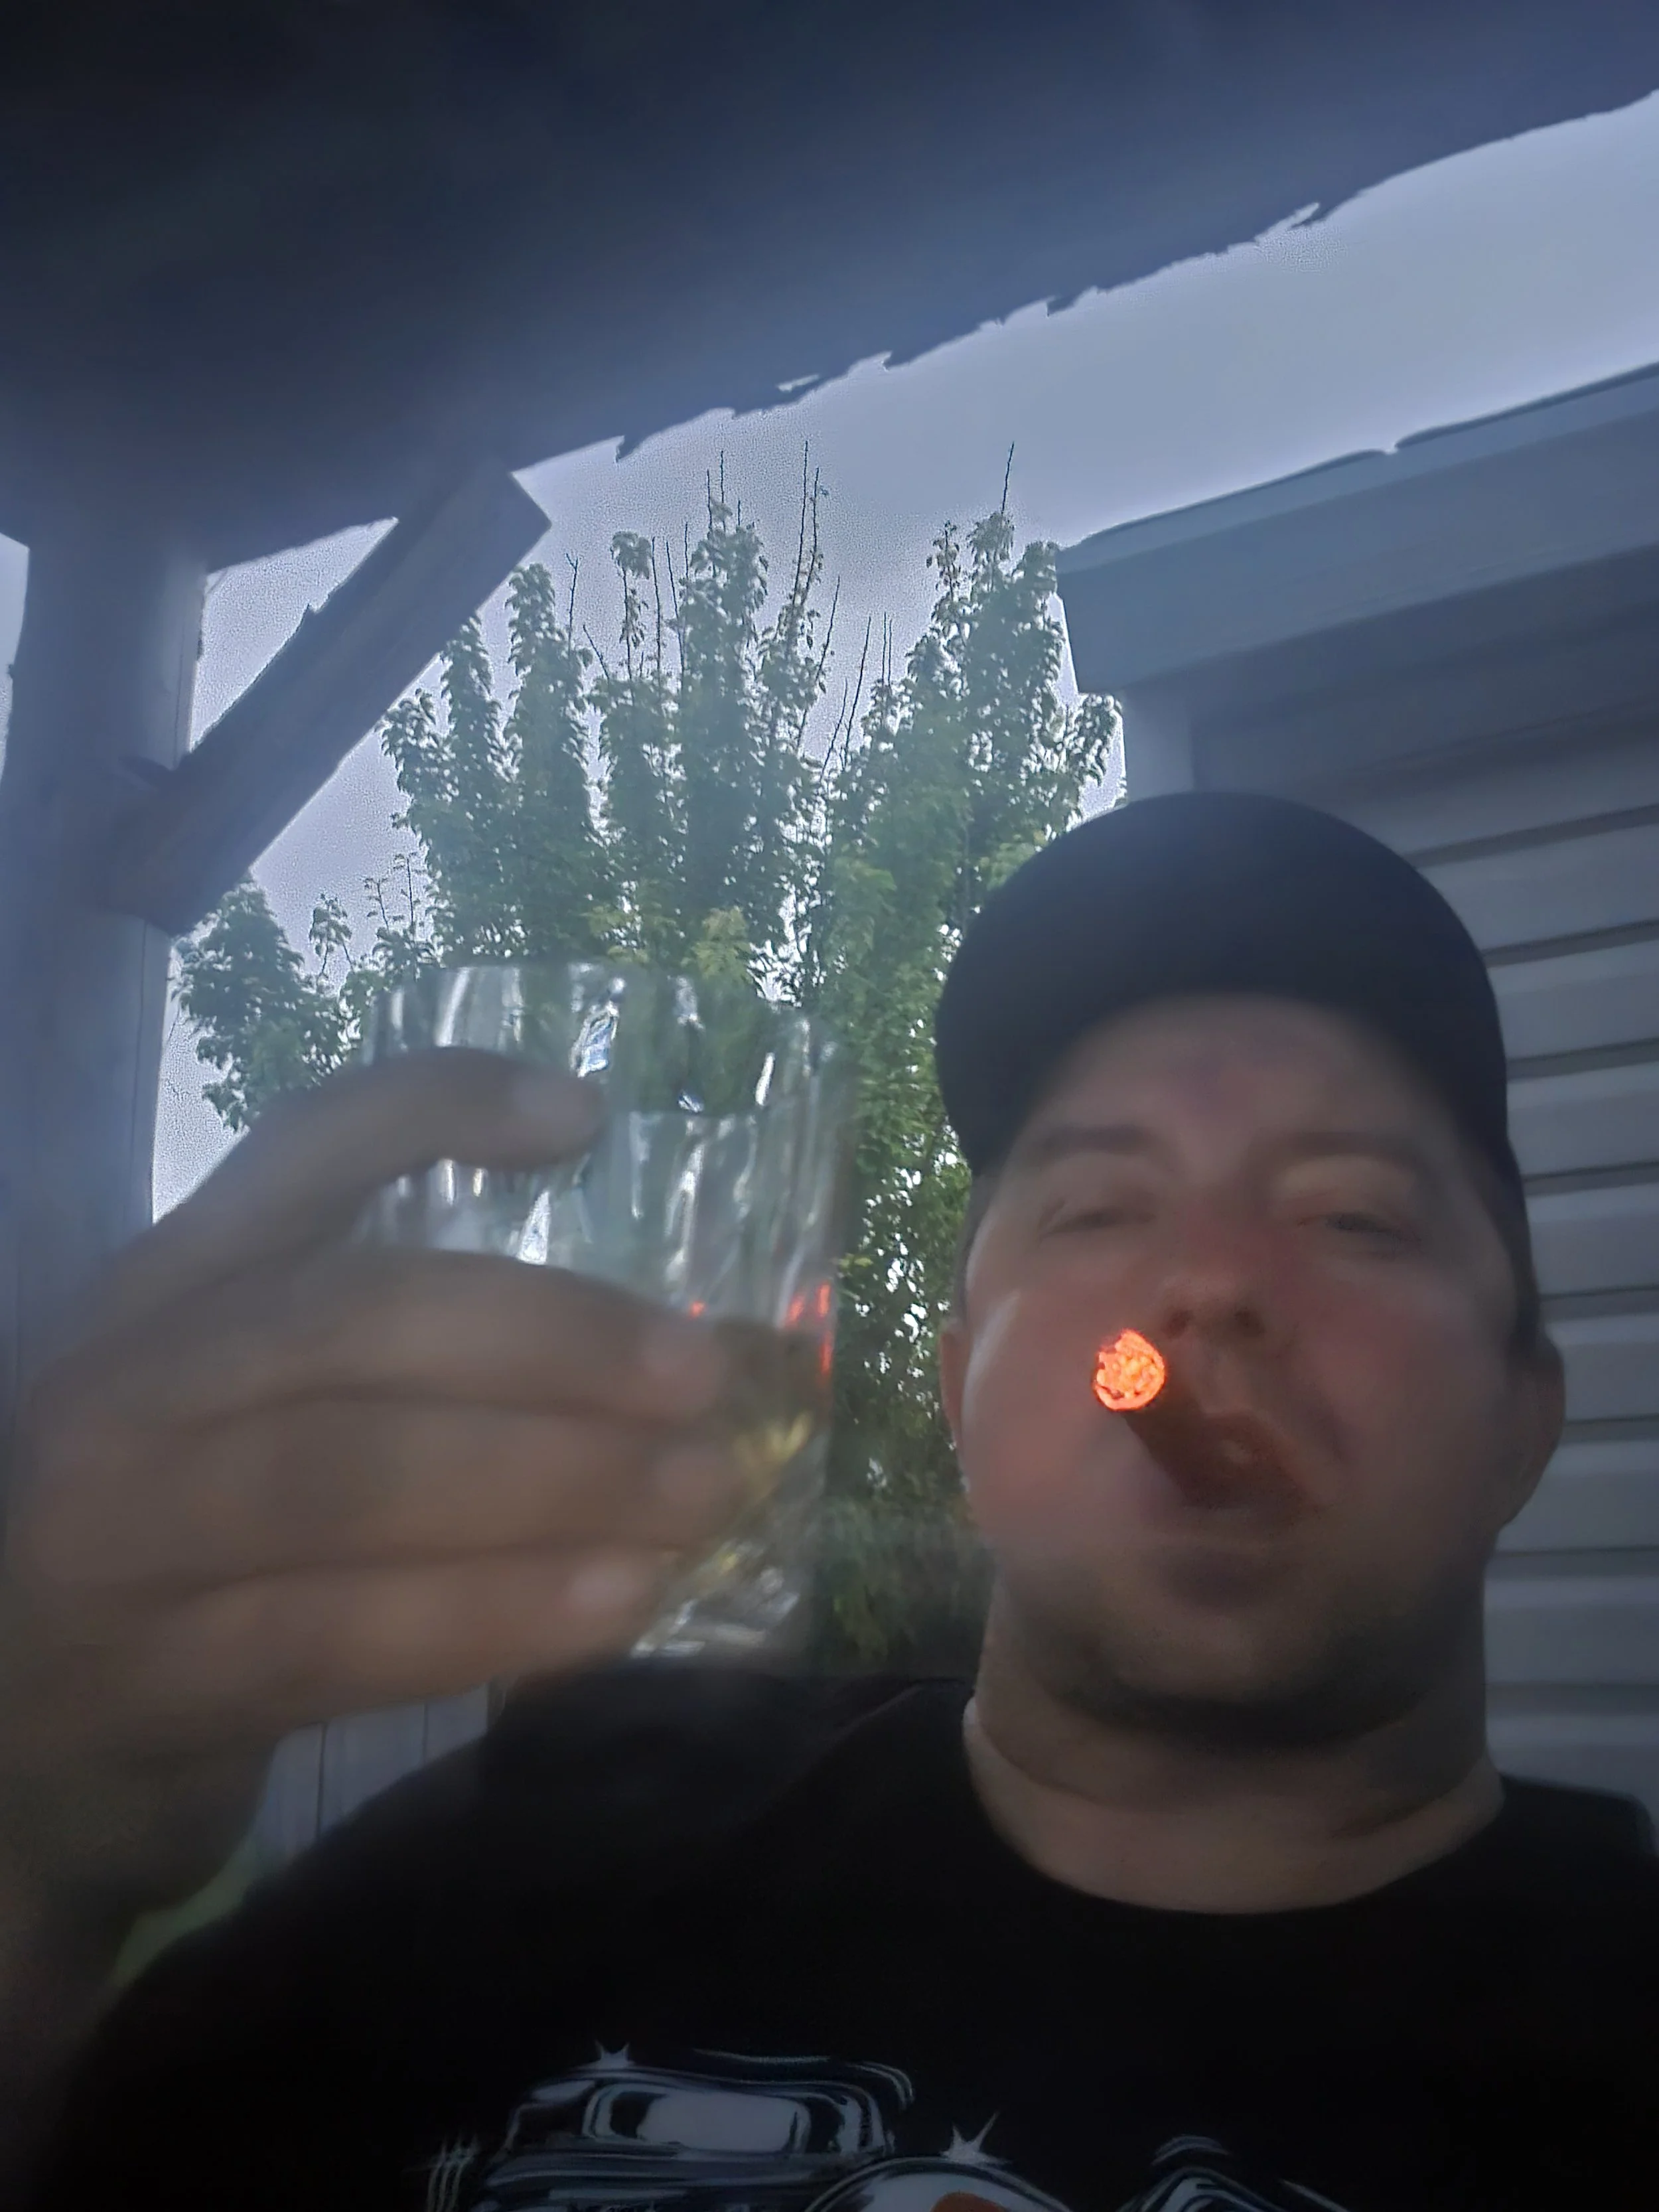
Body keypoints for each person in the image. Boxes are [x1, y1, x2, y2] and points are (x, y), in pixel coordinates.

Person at [3, 792, 1654, 2211]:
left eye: (1354, 1217)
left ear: (1523, 1418)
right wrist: (39, 1862)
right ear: (958, 1395)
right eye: (1095, 1208)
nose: (1209, 1283)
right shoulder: (544, 1845)